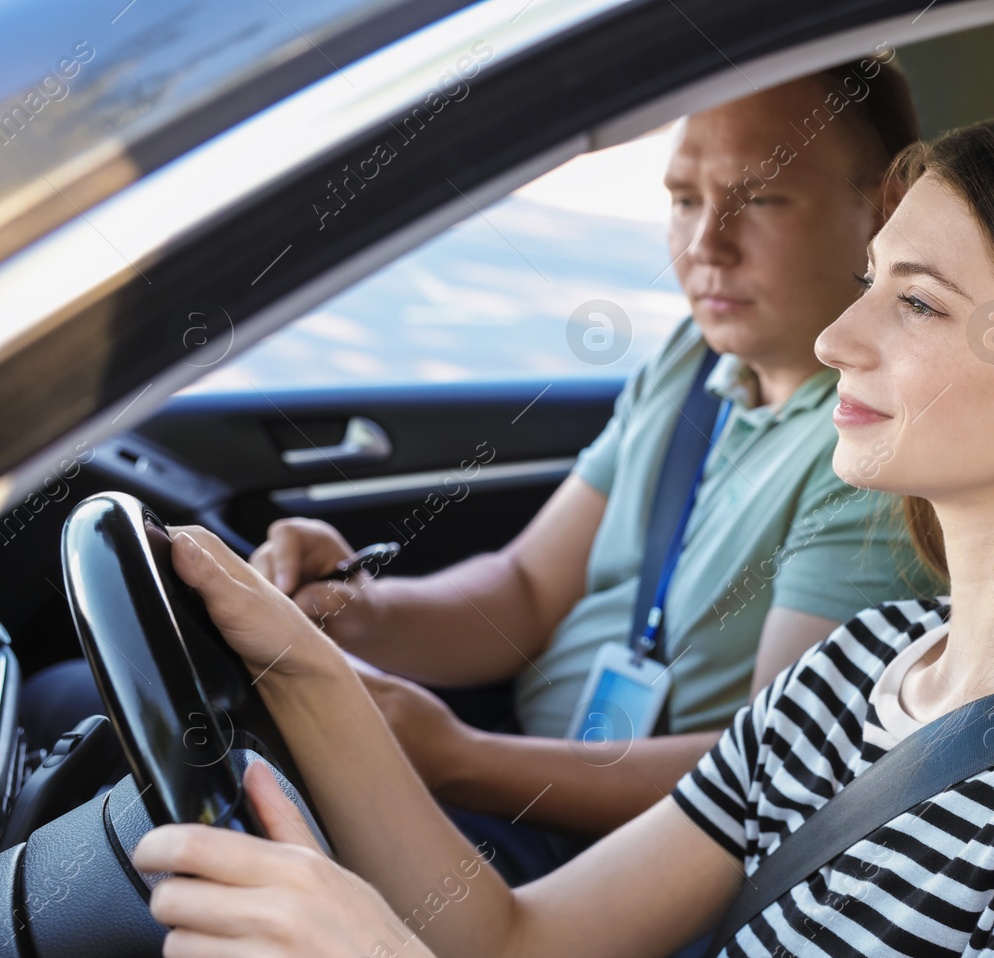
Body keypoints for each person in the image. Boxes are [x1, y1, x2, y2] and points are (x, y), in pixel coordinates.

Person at [131, 109, 994, 958]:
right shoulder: (864, 665)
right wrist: (305, 666)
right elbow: (508, 944)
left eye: (920, 301)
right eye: (871, 281)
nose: (839, 335)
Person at [20, 56, 938, 872]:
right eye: (685, 200)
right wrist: (352, 609)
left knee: (132, 815)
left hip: (618, 857)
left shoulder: (872, 445)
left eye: (761, 197)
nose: (704, 246)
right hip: (517, 768)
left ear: (885, 208)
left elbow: (763, 772)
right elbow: (522, 591)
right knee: (82, 714)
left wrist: (454, 755)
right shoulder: (695, 363)